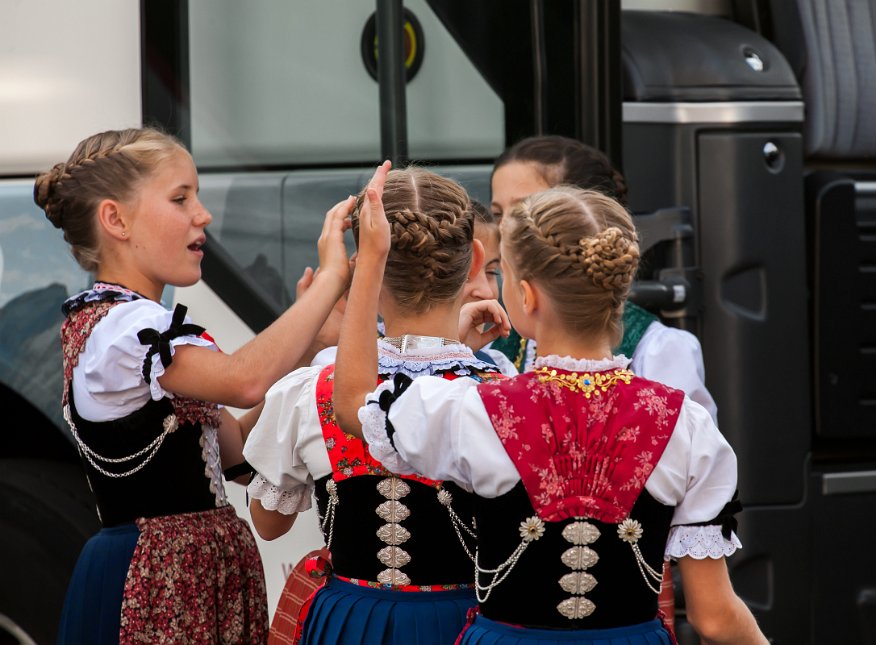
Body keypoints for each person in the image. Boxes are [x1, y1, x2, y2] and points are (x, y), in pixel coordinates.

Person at [333, 184, 768, 644]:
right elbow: (716, 617)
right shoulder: (686, 424)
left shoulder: (475, 409)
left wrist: (372, 266)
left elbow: (354, 404)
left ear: (526, 296)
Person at [35, 127, 354, 644]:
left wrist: (314, 346)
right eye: (181, 198)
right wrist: (328, 285)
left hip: (194, 577)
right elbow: (244, 381)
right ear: (115, 219)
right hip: (155, 582)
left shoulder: (144, 332)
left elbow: (241, 453)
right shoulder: (123, 330)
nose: (202, 215)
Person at [242, 165, 510, 645]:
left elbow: (269, 523)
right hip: (464, 622)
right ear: (475, 260)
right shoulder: (499, 394)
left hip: (350, 620)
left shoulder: (311, 391)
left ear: (362, 267)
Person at [488, 134, 717, 423]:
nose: (505, 227)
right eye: (498, 213)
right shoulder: (495, 345)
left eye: (525, 210)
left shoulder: (658, 350)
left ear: (586, 214)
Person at [463, 199, 517, 376]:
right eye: (464, 274)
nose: (486, 292)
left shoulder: (499, 368)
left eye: (492, 272)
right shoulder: (380, 364)